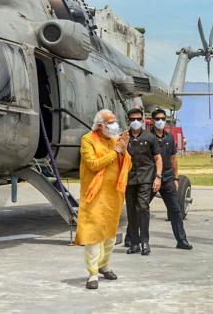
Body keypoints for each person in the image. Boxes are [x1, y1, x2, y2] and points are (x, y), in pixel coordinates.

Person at [75, 109, 131, 290]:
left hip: (113, 195)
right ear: (100, 125)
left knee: (110, 235)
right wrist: (116, 152)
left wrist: (123, 148)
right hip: (94, 194)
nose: (114, 125)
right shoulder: (87, 140)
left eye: (115, 121)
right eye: (110, 122)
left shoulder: (115, 140)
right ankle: (92, 273)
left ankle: (104, 265)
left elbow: (127, 163)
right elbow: (93, 165)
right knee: (94, 234)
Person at [150, 109, 193, 250]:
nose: (160, 121)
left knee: (175, 209)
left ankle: (181, 240)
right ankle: (132, 239)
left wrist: (175, 177)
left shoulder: (169, 138)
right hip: (152, 179)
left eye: (163, 118)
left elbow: (174, 159)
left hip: (168, 178)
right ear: (152, 120)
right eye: (157, 119)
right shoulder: (148, 137)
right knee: (141, 209)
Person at [124, 108, 163, 256]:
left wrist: (158, 177)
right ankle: (134, 243)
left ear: (142, 120)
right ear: (128, 120)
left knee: (142, 208)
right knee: (131, 210)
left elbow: (158, 158)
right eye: (132, 119)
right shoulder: (124, 137)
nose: (135, 122)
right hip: (129, 179)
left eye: (138, 119)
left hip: (146, 178)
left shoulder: (149, 137)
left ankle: (144, 242)